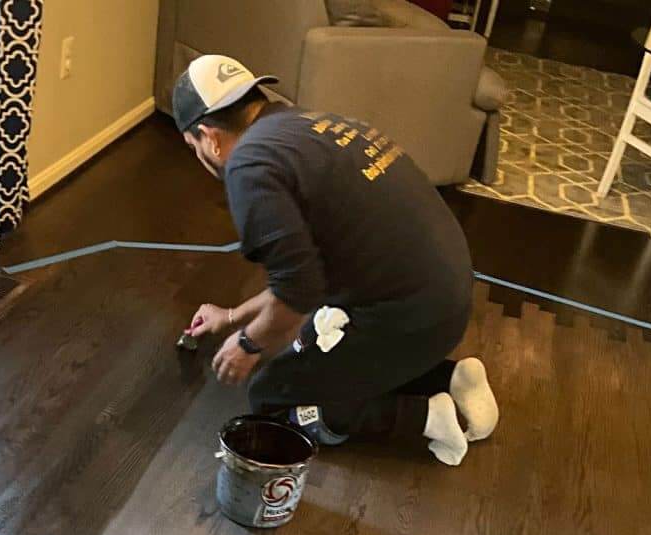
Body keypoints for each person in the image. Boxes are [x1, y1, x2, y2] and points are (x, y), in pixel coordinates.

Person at [174, 55, 498, 465]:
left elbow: (298, 291)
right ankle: (452, 379)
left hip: (411, 317)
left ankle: (425, 416)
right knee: (310, 338)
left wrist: (247, 344)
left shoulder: (249, 166)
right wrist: (234, 315)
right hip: (443, 298)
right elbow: (310, 273)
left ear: (209, 137)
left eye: (193, 148)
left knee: (270, 392)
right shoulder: (305, 124)